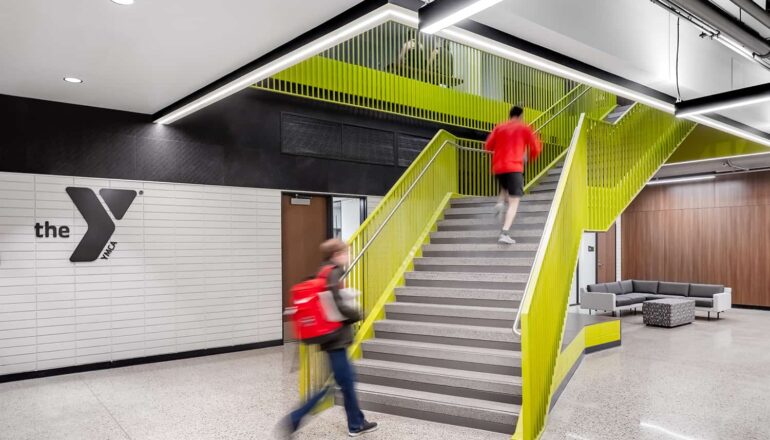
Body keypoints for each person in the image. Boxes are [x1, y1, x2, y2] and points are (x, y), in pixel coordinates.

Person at [280, 239, 378, 438]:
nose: (348, 255)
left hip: (330, 338)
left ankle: (356, 422)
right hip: (335, 339)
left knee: (346, 381)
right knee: (332, 387)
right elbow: (339, 304)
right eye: (345, 252)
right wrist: (358, 314)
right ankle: (295, 418)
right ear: (336, 254)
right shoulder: (333, 272)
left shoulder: (322, 271)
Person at [485, 105, 542, 244]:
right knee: (514, 201)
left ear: (510, 115)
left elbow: (488, 146)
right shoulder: (524, 128)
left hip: (498, 168)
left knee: (505, 188)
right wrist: (530, 157)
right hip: (514, 166)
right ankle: (504, 233)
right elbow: (535, 147)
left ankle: (499, 203)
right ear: (521, 116)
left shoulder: (499, 127)